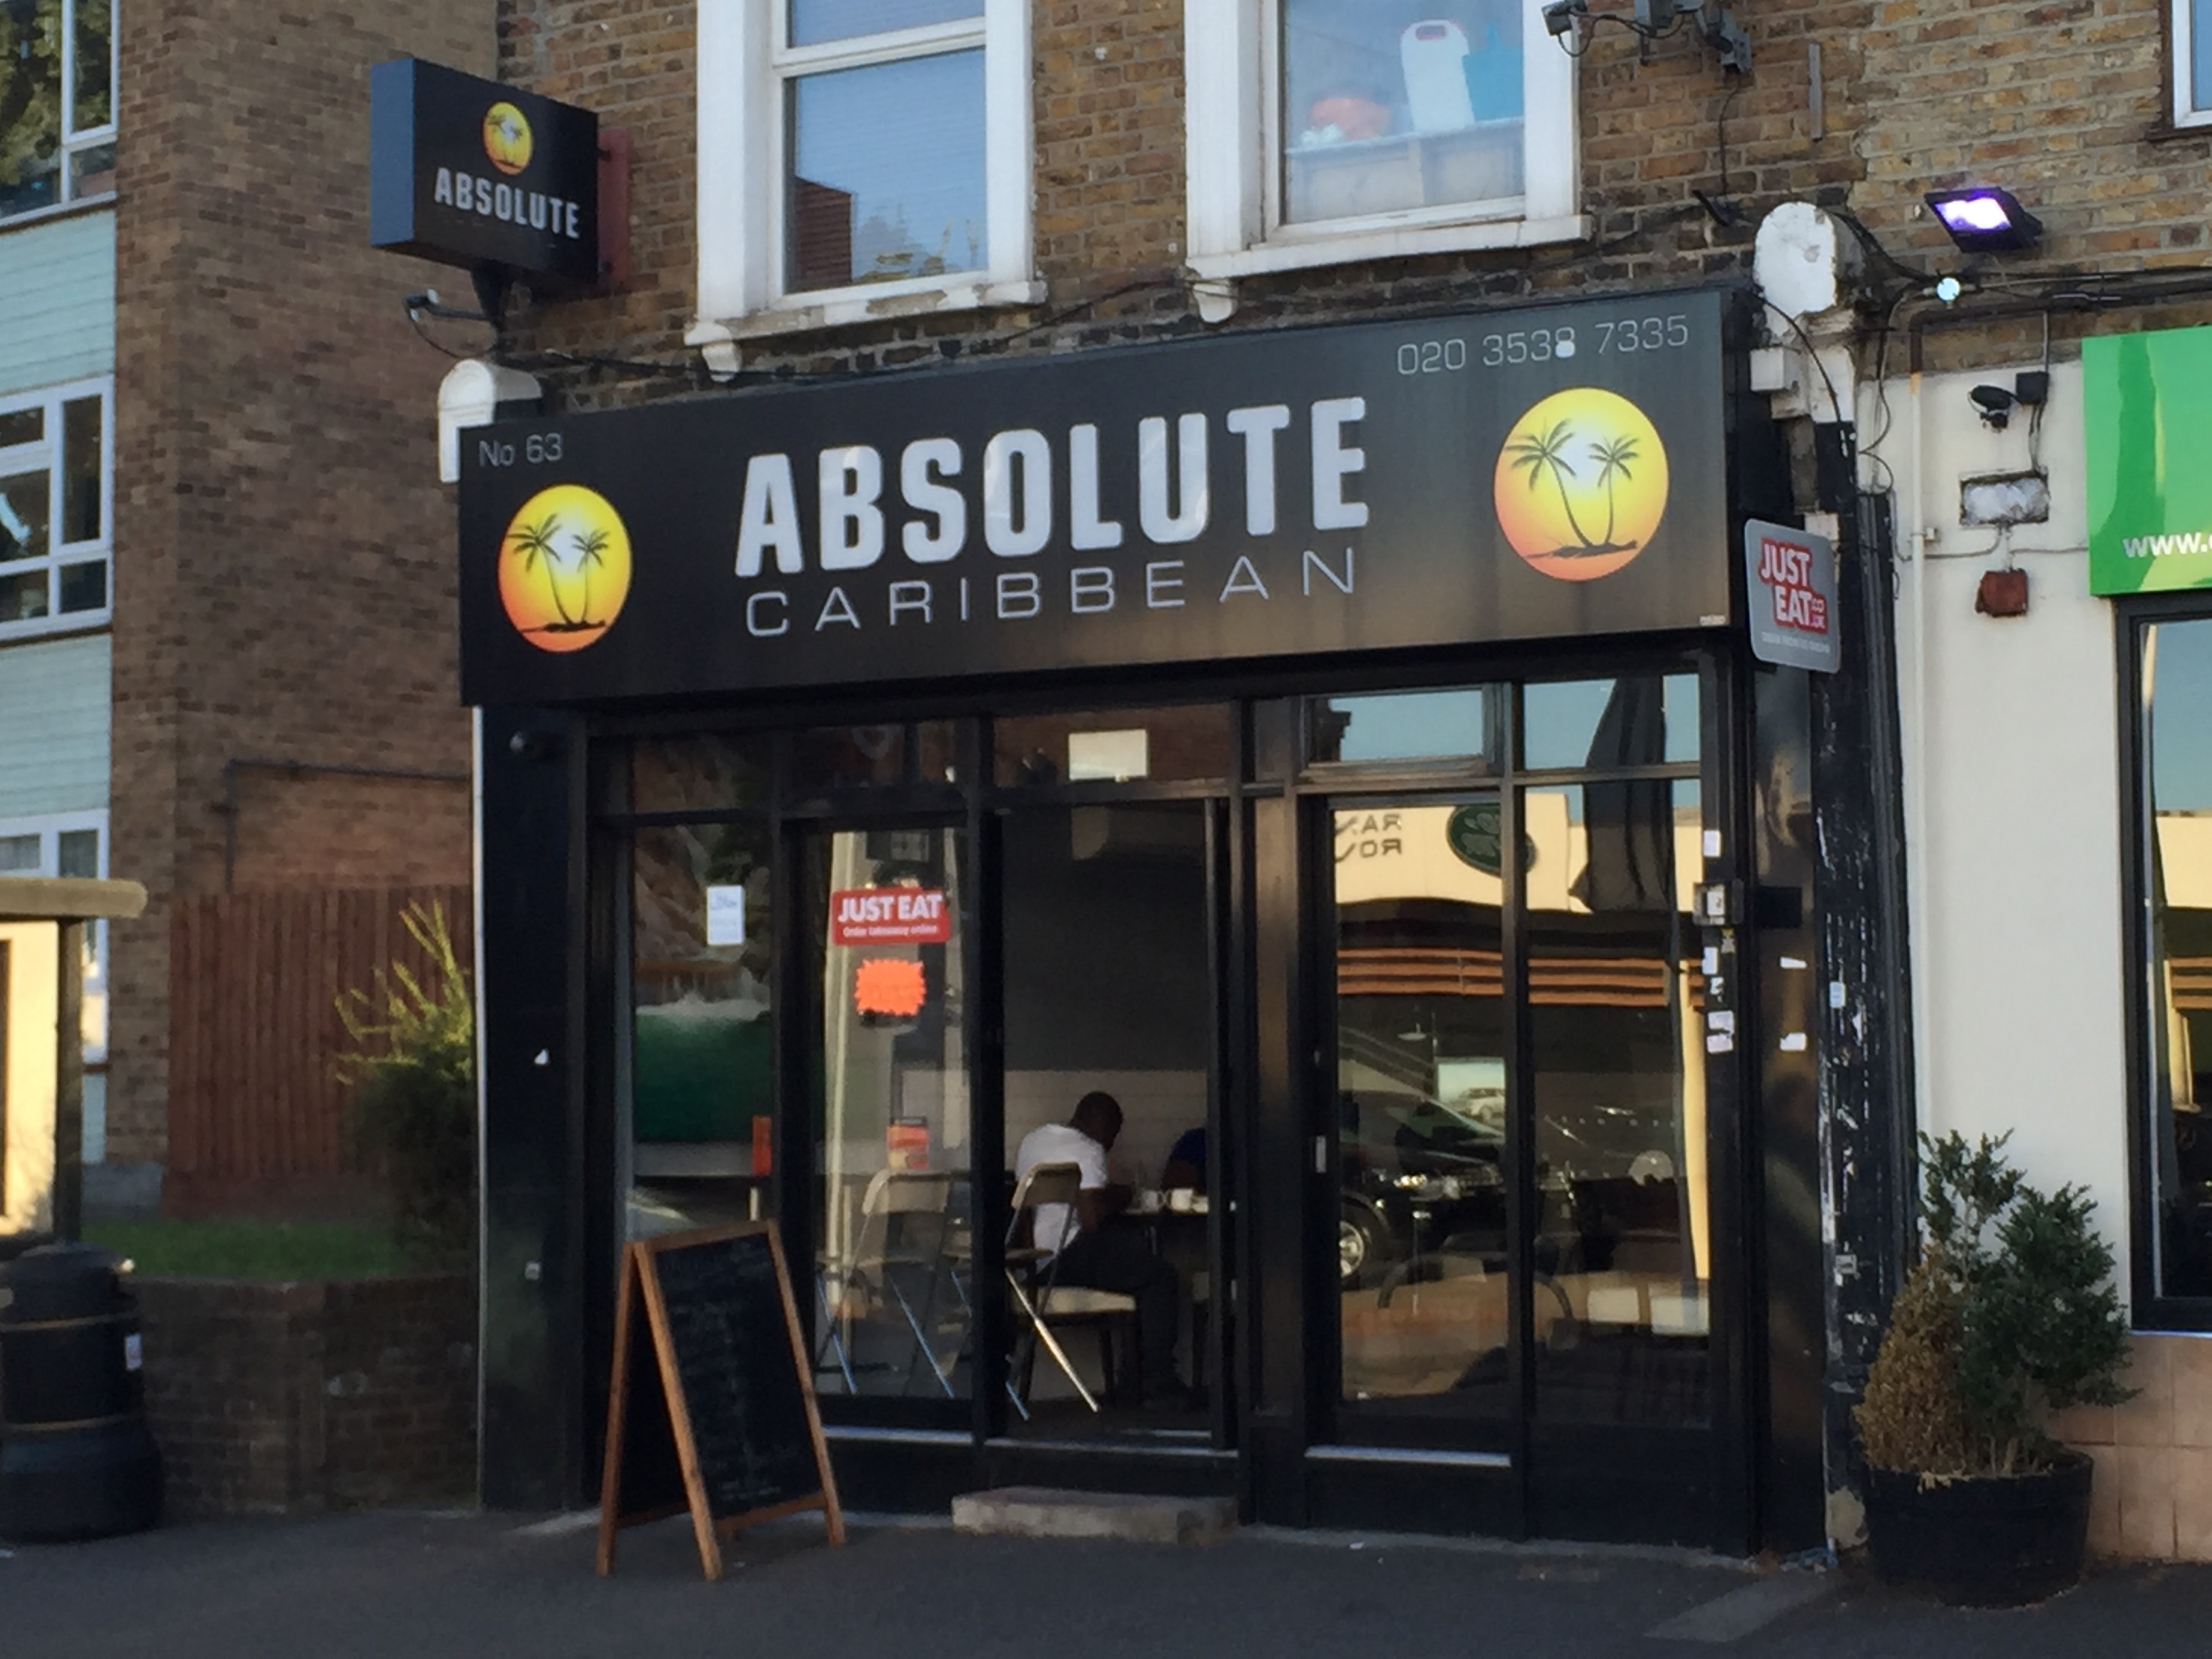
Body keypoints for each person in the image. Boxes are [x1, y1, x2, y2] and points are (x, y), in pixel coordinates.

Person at [1013, 1090, 1186, 1406]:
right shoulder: (1089, 1149)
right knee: (1160, 1277)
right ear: (1099, 1124)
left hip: (1034, 1263)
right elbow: (1091, 1220)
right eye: (1112, 1135)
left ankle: (1132, 1378)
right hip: (1067, 1256)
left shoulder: (1034, 1140)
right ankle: (1157, 1380)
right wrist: (1121, 1197)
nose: (1111, 1145)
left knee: (1133, 1259)